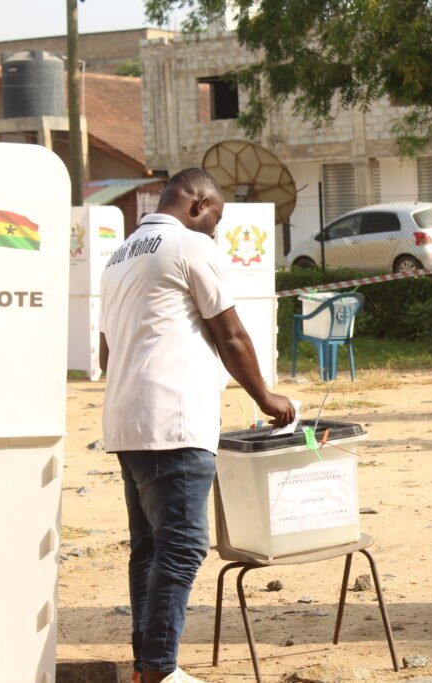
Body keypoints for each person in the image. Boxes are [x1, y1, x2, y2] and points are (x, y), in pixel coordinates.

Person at [99, 168, 295, 683]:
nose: (217, 232)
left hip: (126, 420)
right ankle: (161, 670)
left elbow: (106, 348)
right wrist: (266, 397)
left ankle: (147, 666)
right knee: (183, 546)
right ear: (198, 205)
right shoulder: (188, 245)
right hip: (174, 421)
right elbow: (231, 335)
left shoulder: (121, 255)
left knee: (149, 549)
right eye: (217, 219)